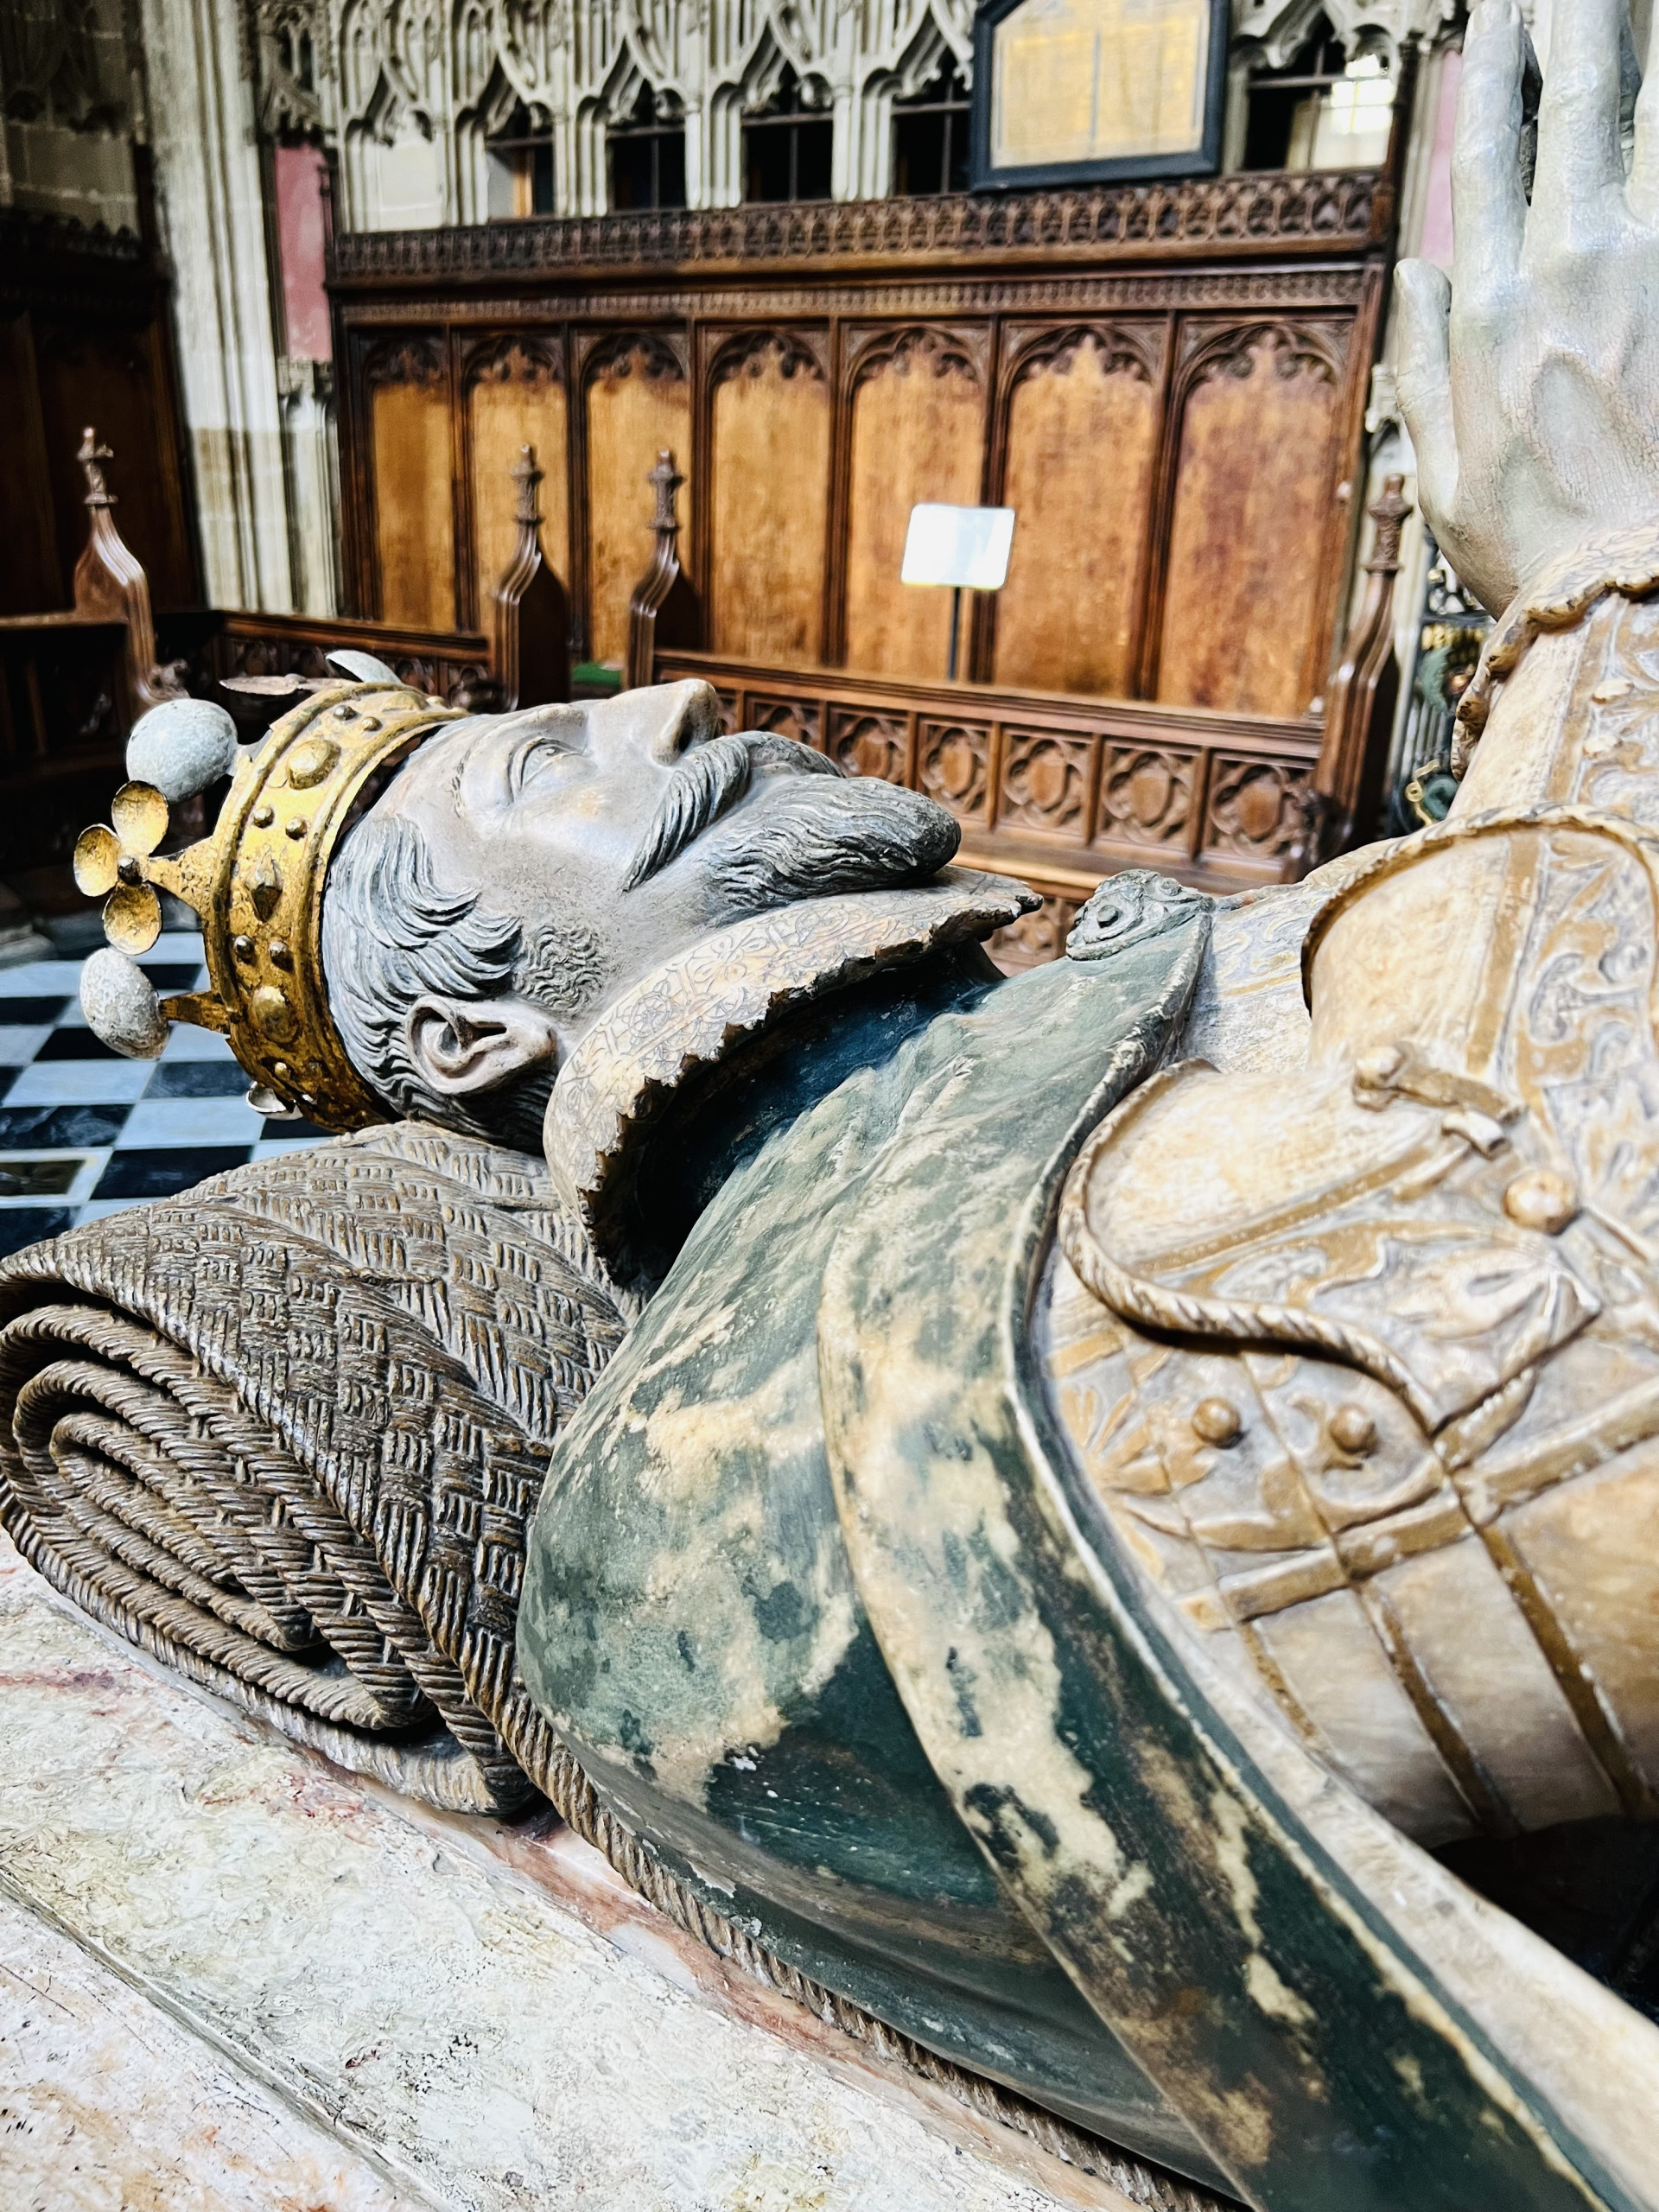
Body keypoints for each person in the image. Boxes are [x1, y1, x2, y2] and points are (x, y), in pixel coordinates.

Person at [39, 3, 1659, 2200]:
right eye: (549, 761)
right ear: (468, 1048)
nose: (672, 697)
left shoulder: (1020, 1049)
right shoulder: (797, 1384)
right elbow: (1599, 1354)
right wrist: (1619, 586)